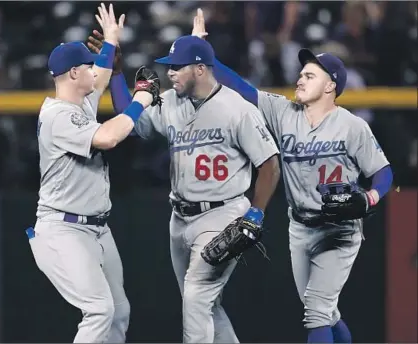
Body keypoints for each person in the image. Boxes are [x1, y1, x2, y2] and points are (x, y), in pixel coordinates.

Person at [190, 8, 393, 344]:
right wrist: (203, 54)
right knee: (325, 313)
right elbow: (239, 86)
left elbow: (384, 173)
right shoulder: (284, 112)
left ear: (331, 86)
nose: (300, 78)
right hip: (299, 224)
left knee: (315, 310)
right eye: (302, 73)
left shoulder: (352, 126)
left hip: (339, 227)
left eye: (310, 75)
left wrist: (370, 197)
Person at [87, 33, 281, 342]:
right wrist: (118, 73)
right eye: (170, 67)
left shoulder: (237, 108)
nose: (170, 73)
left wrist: (255, 213)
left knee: (196, 296)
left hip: (223, 213)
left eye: (178, 67)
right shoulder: (172, 103)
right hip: (180, 217)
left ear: (201, 69)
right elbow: (131, 123)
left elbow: (270, 164)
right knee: (205, 305)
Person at [26, 4, 158, 343]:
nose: (95, 69)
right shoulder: (59, 116)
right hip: (62, 230)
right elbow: (108, 137)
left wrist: (112, 40)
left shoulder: (78, 103)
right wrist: (141, 99)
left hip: (95, 228)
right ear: (72, 74)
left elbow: (101, 75)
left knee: (119, 311)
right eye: (87, 64)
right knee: (100, 310)